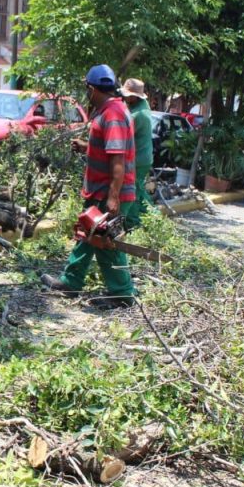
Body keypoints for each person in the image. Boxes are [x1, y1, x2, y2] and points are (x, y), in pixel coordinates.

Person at [41, 64, 136, 308]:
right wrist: (87, 146)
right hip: (100, 190)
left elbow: (118, 159)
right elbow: (108, 149)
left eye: (87, 89)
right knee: (87, 234)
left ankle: (122, 294)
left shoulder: (112, 114)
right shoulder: (108, 111)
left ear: (92, 89)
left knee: (106, 243)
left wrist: (113, 197)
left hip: (108, 192)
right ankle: (71, 282)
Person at [119, 78, 153, 229]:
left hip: (138, 159)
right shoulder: (142, 105)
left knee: (130, 191)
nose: (125, 97)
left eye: (127, 95)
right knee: (139, 189)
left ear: (135, 96)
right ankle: (151, 216)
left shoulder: (137, 115)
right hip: (144, 157)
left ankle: (132, 224)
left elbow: (122, 137)